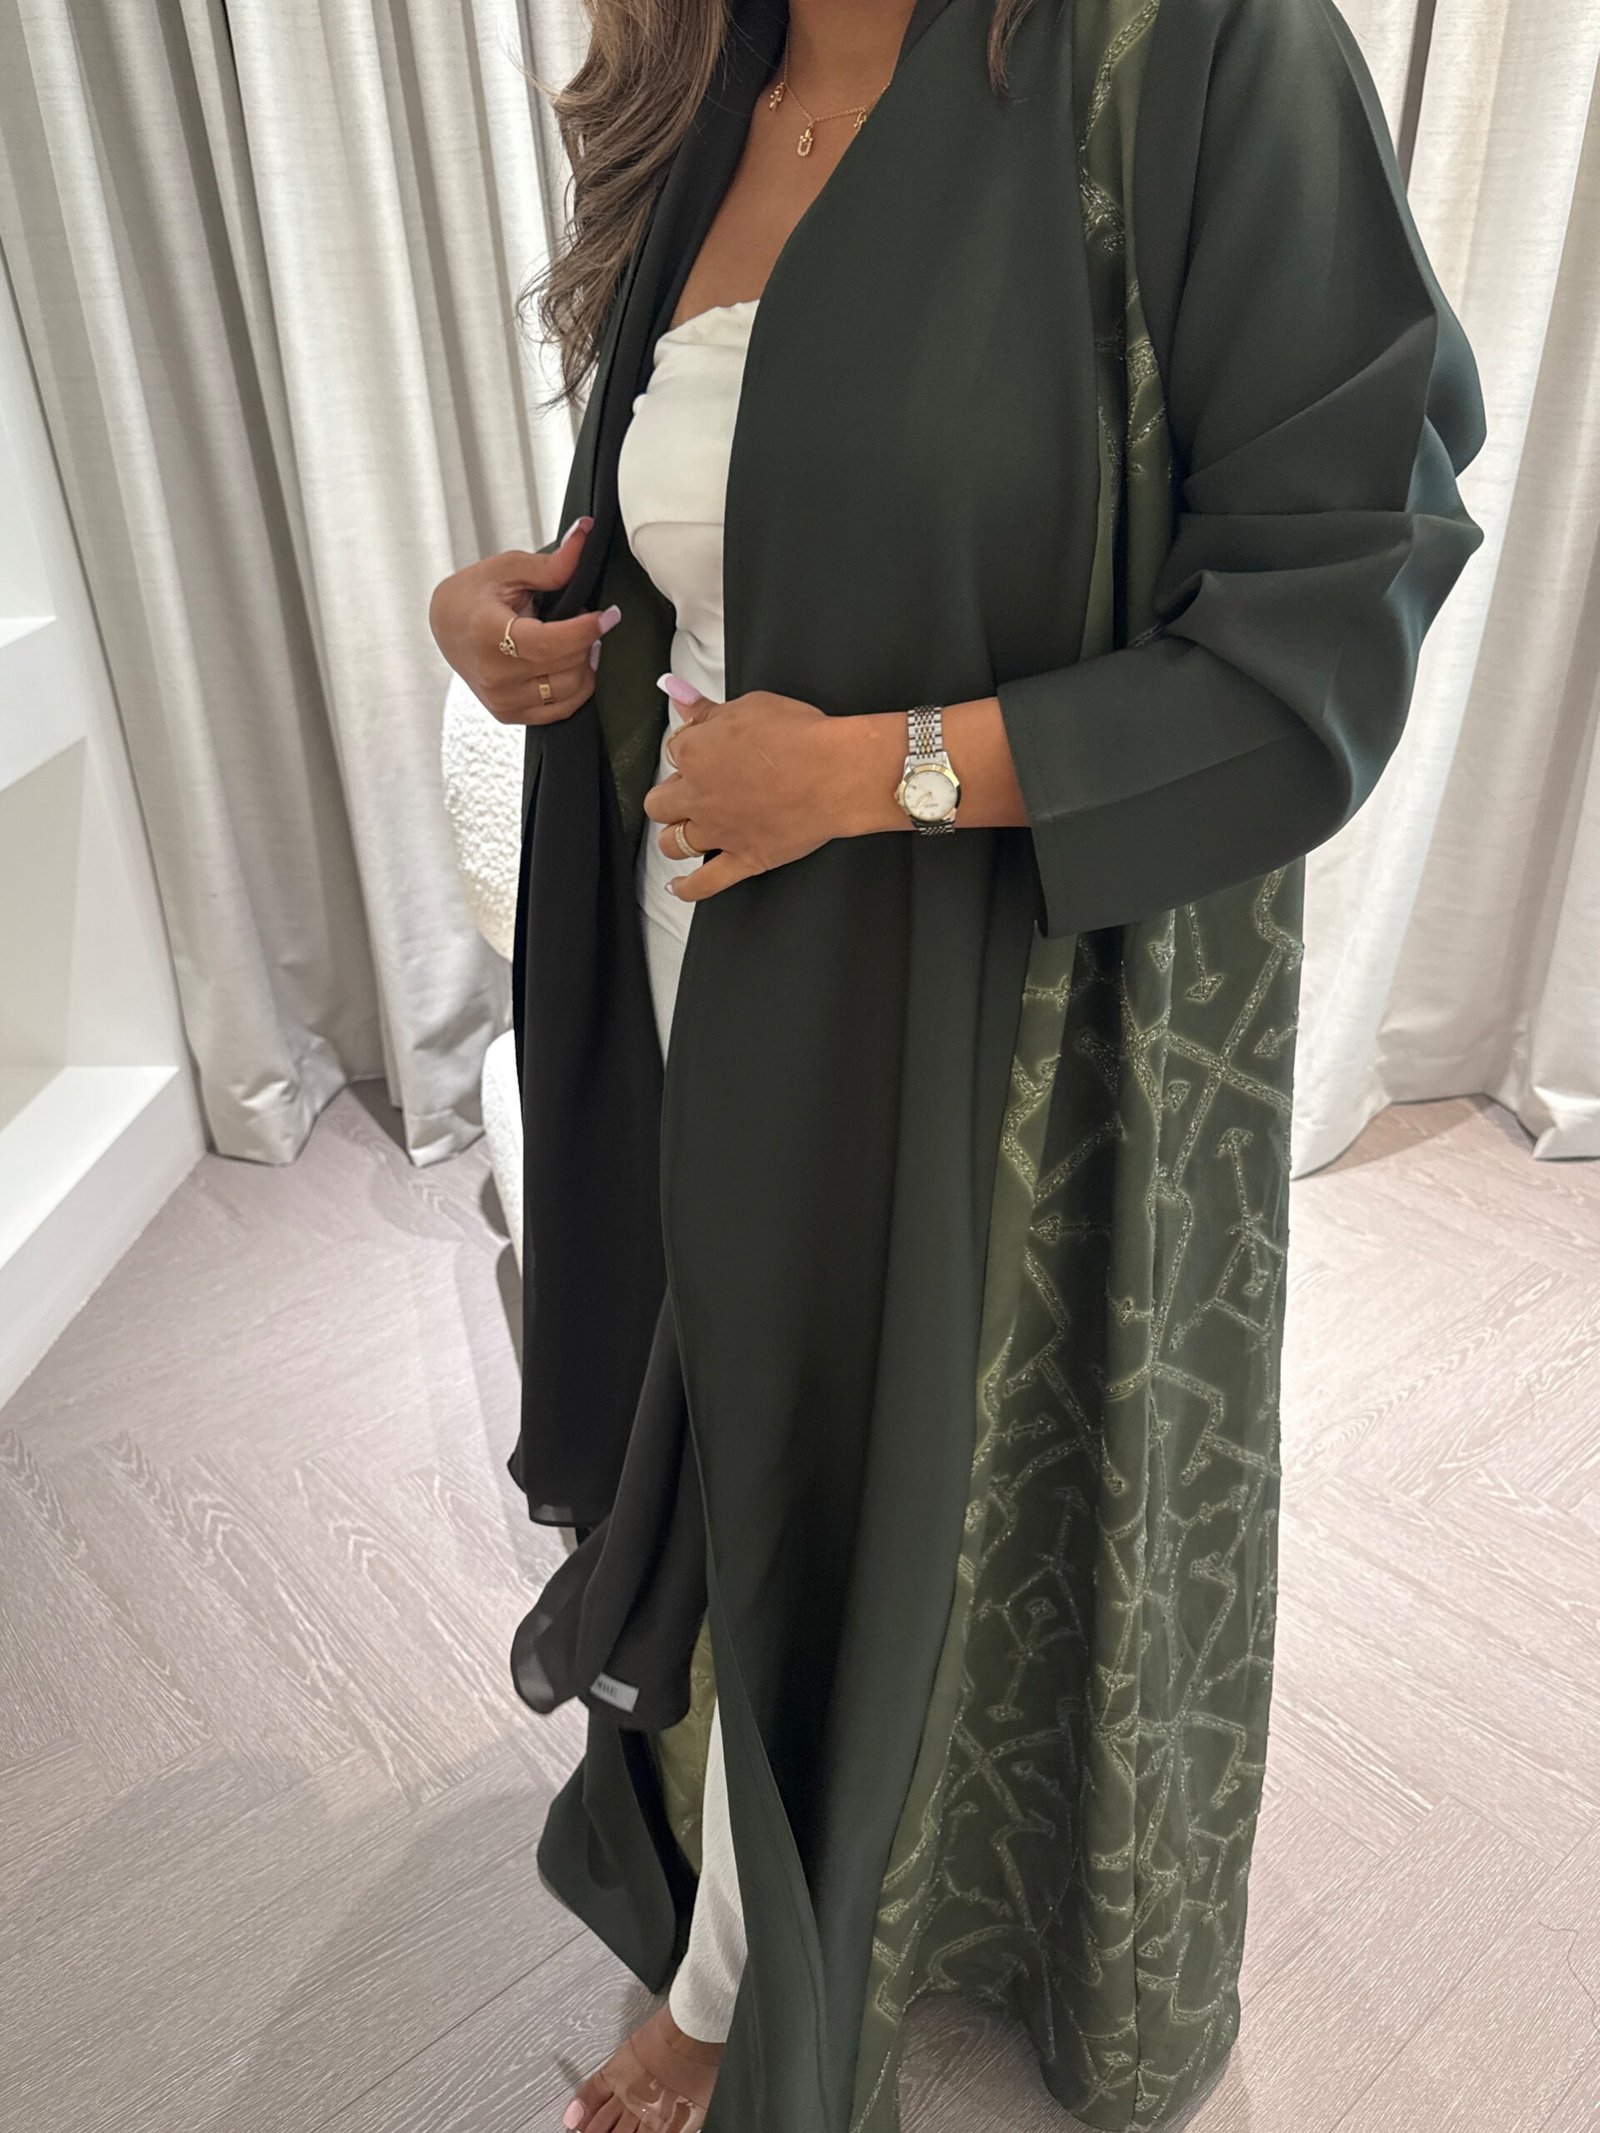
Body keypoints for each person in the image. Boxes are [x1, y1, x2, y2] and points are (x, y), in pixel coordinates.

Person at [427, 0, 1488, 2128]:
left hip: (971, 950)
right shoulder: (710, 79)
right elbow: (740, 505)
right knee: (739, 1420)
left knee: (833, 1454)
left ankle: (742, 1990)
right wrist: (516, 614)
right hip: (693, 913)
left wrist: (875, 774)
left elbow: (1333, 595)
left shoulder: (1196, 57)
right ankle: (748, 1882)